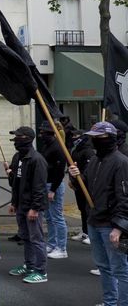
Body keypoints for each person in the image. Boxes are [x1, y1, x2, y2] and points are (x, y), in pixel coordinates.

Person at [69, 122, 128, 306]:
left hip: (110, 224)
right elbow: (83, 187)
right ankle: (110, 302)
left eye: (99, 137)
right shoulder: (95, 160)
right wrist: (75, 176)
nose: (94, 141)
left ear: (110, 138)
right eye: (92, 137)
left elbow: (125, 198)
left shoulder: (121, 162)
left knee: (120, 269)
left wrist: (119, 227)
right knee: (104, 267)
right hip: (94, 221)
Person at [6, 127, 49, 284]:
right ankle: (30, 265)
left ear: (29, 138)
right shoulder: (18, 157)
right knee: (26, 237)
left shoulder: (37, 159)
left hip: (31, 207)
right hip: (21, 205)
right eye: (15, 136)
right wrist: (14, 202)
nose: (16, 139)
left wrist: (35, 208)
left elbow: (39, 187)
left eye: (19, 136)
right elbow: (16, 183)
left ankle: (41, 271)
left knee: (36, 238)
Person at [39, 121, 68, 259]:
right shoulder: (48, 145)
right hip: (47, 183)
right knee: (49, 217)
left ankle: (61, 248)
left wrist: (53, 190)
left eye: (43, 133)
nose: (41, 135)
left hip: (53, 184)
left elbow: (60, 171)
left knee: (57, 217)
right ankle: (52, 243)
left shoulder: (58, 147)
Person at [69, 130, 95, 245]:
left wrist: (81, 180)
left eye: (76, 136)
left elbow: (88, 170)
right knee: (82, 209)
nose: (74, 138)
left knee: (88, 209)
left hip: (86, 186)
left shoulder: (88, 151)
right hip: (78, 185)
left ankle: (91, 233)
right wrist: (73, 181)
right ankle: (85, 231)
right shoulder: (75, 150)